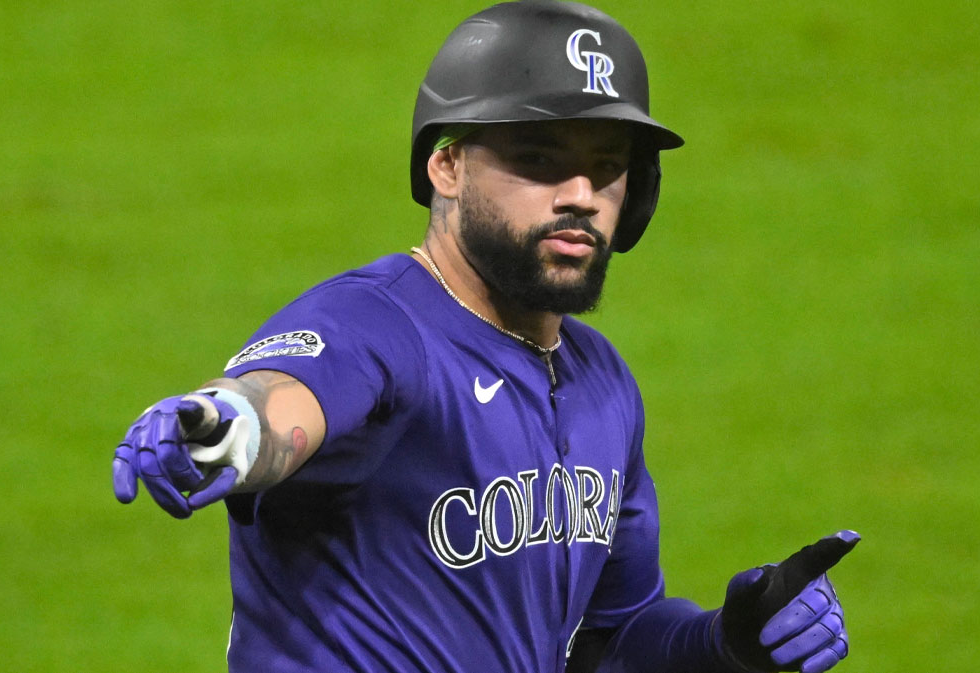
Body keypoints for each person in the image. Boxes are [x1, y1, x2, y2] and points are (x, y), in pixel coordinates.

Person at [111, 2, 859, 671]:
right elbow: (286, 401)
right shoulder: (379, 323)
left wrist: (726, 642)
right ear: (447, 164)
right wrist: (227, 429)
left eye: (606, 168)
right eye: (538, 160)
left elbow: (610, 638)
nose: (580, 196)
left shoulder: (603, 383)